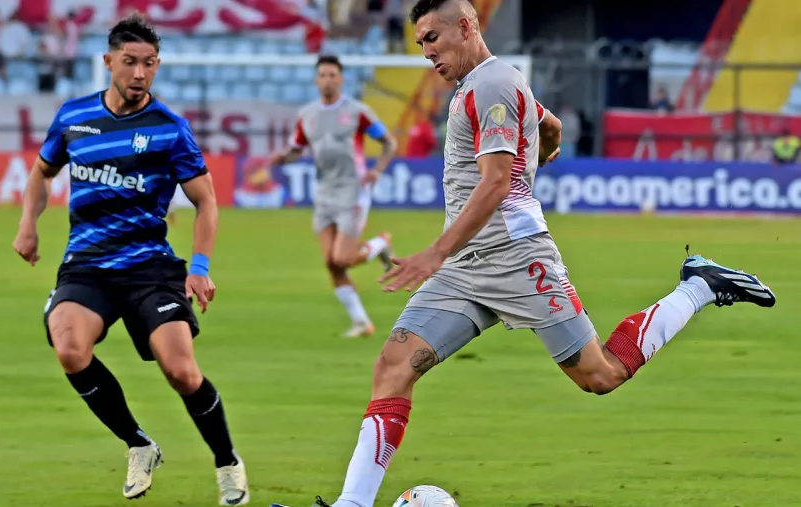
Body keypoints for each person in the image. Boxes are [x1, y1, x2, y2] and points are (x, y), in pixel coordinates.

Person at [271, 2, 776, 507]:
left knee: (600, 375)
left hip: (517, 259)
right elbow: (547, 121)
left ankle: (700, 285)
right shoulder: (485, 86)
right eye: (420, 43)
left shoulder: (491, 84)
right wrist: (547, 142)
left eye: (432, 38)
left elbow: (493, 183)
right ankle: (350, 505)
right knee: (393, 367)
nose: (425, 53)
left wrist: (434, 252)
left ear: (466, 27)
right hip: (467, 268)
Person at [12, 14, 249, 504]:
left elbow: (206, 200)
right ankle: (138, 445)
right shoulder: (74, 117)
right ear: (108, 62)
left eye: (149, 64)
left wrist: (200, 267)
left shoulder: (169, 129)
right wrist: (27, 225)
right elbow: (41, 173)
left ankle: (226, 461)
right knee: (70, 349)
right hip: (88, 264)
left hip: (150, 268)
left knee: (181, 371)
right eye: (130, 62)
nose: (140, 73)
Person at [270, 55, 399, 338]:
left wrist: (377, 170)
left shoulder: (357, 111)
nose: (328, 79)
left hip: (352, 191)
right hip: (324, 194)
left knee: (342, 257)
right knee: (331, 262)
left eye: (333, 75)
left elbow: (389, 141)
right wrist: (280, 158)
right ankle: (362, 322)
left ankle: (381, 244)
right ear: (316, 80)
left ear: (340, 79)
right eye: (323, 75)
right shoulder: (307, 115)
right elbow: (296, 149)